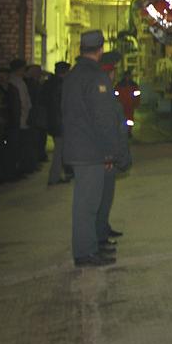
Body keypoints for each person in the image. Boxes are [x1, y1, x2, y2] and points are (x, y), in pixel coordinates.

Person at [62, 31, 130, 268]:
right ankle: (85, 253)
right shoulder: (96, 78)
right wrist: (110, 153)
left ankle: (90, 247)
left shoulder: (73, 76)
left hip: (78, 148)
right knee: (87, 205)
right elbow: (103, 120)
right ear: (100, 50)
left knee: (86, 203)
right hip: (90, 151)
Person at [43, 63, 71, 186]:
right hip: (60, 122)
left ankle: (59, 174)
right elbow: (62, 106)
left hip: (54, 121)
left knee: (60, 150)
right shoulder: (60, 85)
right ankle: (54, 177)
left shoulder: (50, 83)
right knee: (59, 151)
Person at [113, 70, 141, 138]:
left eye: (129, 76)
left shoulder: (133, 85)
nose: (128, 77)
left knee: (130, 119)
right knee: (123, 118)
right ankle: (124, 131)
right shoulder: (119, 85)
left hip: (130, 105)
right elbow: (115, 95)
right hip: (122, 105)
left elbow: (137, 95)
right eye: (127, 76)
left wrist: (137, 103)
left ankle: (128, 131)